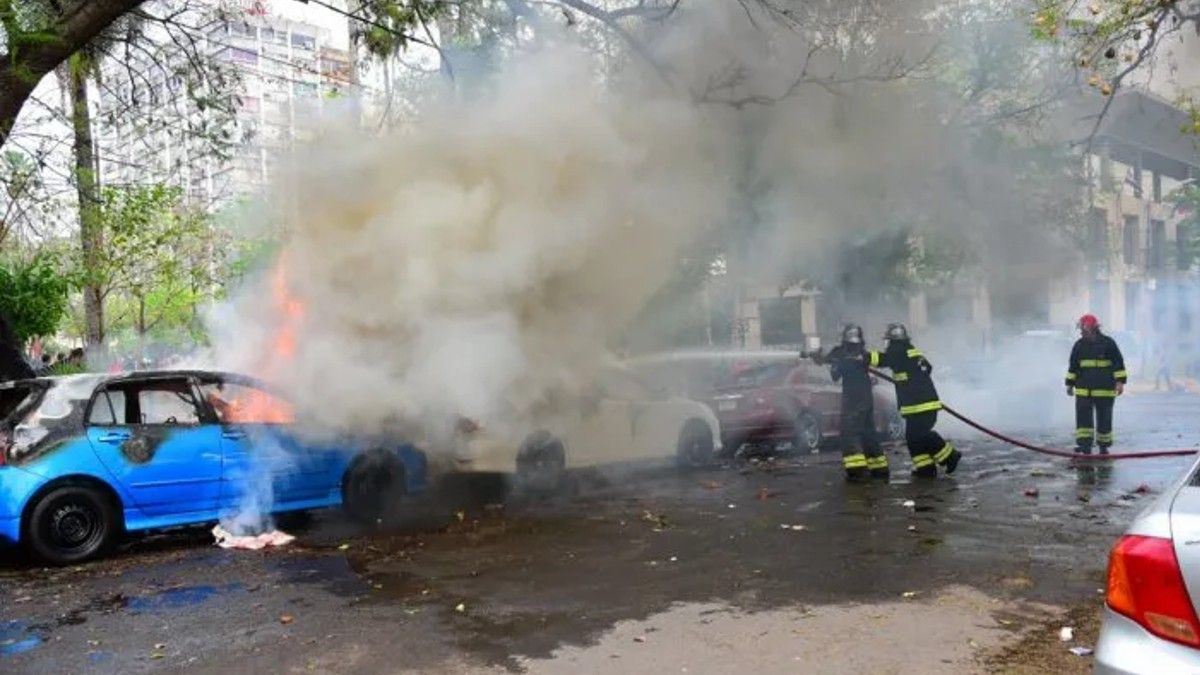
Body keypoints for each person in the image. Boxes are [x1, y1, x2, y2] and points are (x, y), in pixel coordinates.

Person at [869, 323, 961, 478]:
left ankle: (950, 455)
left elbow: (882, 359)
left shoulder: (898, 350)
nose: (887, 345)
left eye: (888, 341)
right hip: (921, 405)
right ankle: (925, 468)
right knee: (913, 438)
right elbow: (928, 368)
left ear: (893, 340)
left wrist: (862, 357)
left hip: (920, 406)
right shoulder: (910, 350)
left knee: (921, 435)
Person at [827, 324, 888, 482]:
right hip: (867, 399)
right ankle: (879, 469)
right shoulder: (862, 352)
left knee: (850, 435)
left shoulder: (841, 353)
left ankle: (857, 471)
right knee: (868, 434)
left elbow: (835, 375)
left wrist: (831, 362)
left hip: (853, 400)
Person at [1066, 314, 1126, 455]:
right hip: (1083, 391)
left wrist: (1120, 382)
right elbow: (1073, 367)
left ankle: (1103, 446)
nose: (1081, 331)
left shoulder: (1108, 343)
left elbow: (1118, 363)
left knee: (1104, 418)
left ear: (1091, 328)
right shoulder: (1079, 345)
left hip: (1104, 390)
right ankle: (1085, 446)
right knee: (1083, 422)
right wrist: (1069, 384)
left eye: (1082, 328)